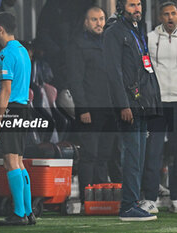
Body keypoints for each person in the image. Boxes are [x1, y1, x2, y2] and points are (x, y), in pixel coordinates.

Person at [103, 0, 162, 221]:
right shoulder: (114, 32)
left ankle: (134, 202)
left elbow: (144, 68)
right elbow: (113, 72)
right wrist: (123, 105)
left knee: (138, 157)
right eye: (131, 5)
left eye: (138, 4)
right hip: (129, 105)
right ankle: (128, 206)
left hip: (142, 103)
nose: (136, 8)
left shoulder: (136, 30)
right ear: (120, 7)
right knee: (131, 156)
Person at [67, 6, 117, 204]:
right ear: (86, 22)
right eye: (94, 19)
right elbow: (75, 81)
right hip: (90, 109)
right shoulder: (77, 45)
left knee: (105, 155)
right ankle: (87, 200)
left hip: (110, 109)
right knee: (89, 154)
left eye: (102, 19)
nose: (99, 23)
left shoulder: (109, 43)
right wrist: (83, 108)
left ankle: (101, 199)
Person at [0, 12, 34, 226]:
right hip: (24, 108)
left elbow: (5, 91)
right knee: (18, 161)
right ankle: (28, 211)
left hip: (12, 110)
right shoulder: (24, 51)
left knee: (10, 161)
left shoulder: (5, 54)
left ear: (0, 28)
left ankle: (19, 214)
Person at [141, 1, 177, 214]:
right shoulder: (150, 38)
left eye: (173, 13)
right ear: (160, 17)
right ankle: (151, 198)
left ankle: (176, 198)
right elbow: (145, 70)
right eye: (166, 14)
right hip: (157, 103)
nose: (170, 17)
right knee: (153, 153)